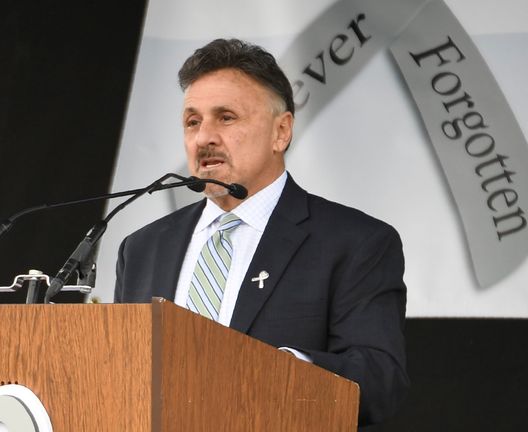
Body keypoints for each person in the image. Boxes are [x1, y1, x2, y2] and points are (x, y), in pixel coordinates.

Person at [114, 38, 409, 426]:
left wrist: (275, 370)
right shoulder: (142, 248)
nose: (204, 138)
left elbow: (379, 383)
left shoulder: (355, 243)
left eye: (226, 117)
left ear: (281, 132)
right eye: (192, 121)